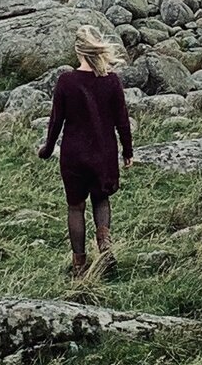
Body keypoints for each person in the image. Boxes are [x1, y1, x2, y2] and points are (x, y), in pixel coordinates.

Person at [40, 26, 134, 278]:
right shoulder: (111, 81)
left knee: (75, 207)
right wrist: (127, 150)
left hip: (73, 155)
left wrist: (47, 150)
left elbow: (55, 122)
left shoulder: (66, 81)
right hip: (103, 153)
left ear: (77, 51)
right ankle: (104, 245)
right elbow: (122, 120)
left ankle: (79, 267)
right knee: (101, 199)